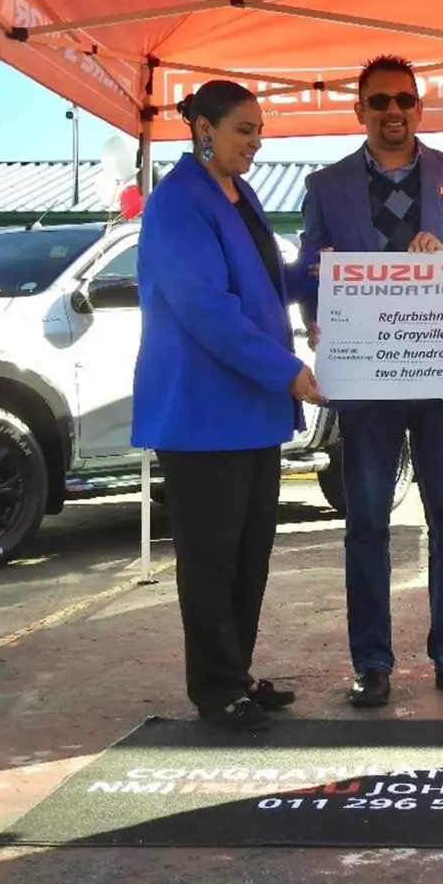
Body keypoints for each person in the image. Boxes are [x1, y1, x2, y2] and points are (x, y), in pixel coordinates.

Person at [299, 54, 443, 708]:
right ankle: (371, 664)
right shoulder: (325, 186)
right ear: (359, 110)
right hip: (366, 384)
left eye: (404, 101)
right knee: (365, 522)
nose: (393, 112)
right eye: (380, 102)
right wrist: (318, 322)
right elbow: (311, 269)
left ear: (418, 109)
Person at [133, 79, 327, 732]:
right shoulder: (176, 203)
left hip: (250, 409)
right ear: (204, 129)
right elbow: (205, 307)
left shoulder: (239, 195)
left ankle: (236, 672)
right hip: (202, 410)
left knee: (250, 554)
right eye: (245, 129)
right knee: (212, 559)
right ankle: (215, 691)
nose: (256, 142)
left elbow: (270, 283)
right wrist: (288, 372)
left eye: (259, 130)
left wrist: (344, 272)